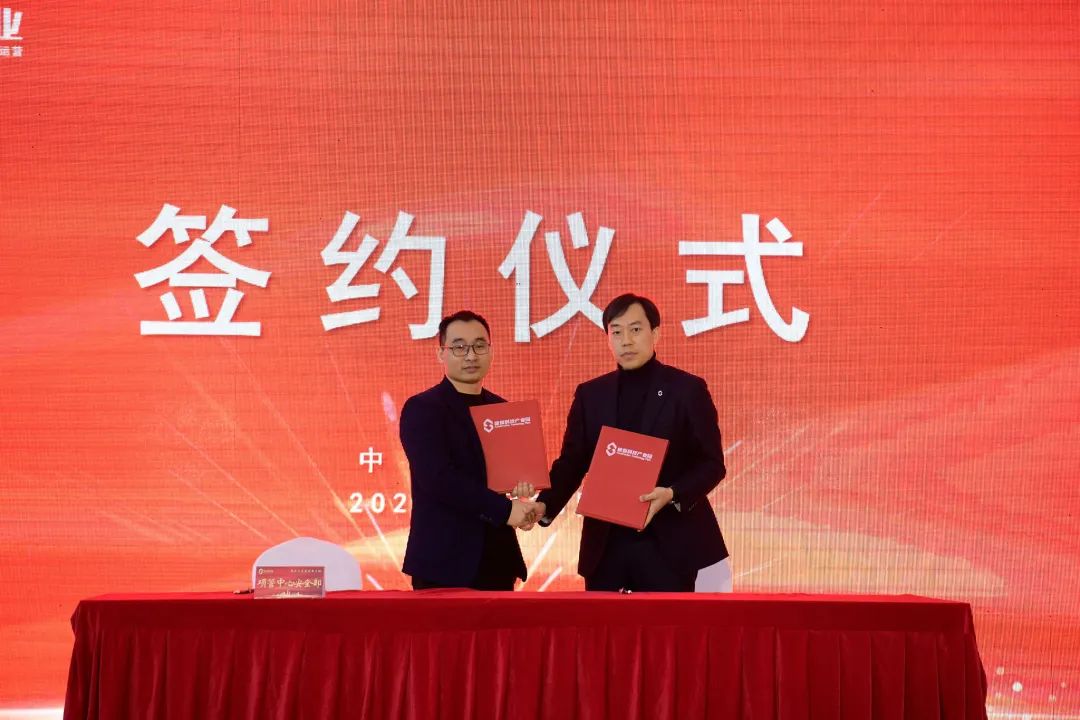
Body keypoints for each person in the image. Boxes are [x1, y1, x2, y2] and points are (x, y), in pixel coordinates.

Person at [529, 294, 729, 592]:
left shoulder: (687, 390)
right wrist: (542, 506)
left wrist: (672, 494)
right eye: (617, 332)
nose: (626, 341)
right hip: (606, 547)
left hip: (669, 545)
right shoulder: (590, 395)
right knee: (604, 623)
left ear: (655, 333)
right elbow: (572, 462)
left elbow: (712, 464)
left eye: (635, 330)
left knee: (666, 623)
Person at [400, 310, 540, 590]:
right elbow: (438, 478)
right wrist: (505, 510)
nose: (471, 355)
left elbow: (508, 476)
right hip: (443, 562)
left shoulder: (503, 410)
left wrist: (522, 490)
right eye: (459, 347)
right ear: (441, 353)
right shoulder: (423, 408)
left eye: (479, 346)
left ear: (491, 350)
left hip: (497, 559)